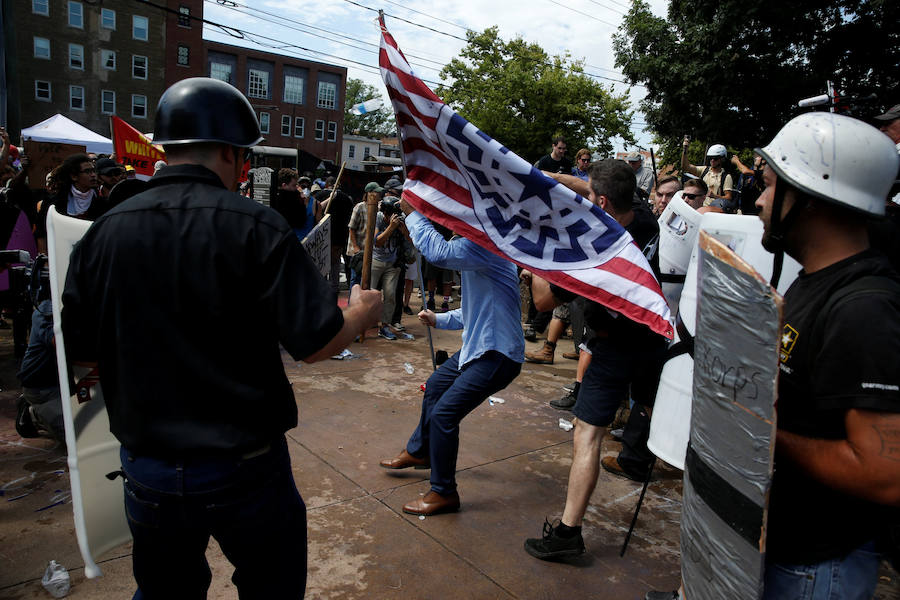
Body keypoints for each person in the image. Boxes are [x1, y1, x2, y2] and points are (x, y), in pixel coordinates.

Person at [61, 77, 382, 599]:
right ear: (235, 155)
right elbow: (316, 343)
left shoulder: (103, 232)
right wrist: (362, 314)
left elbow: (79, 353)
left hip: (150, 468)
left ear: (166, 149)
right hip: (245, 470)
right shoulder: (257, 227)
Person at [647, 112, 900, 600]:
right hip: (776, 553)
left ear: (811, 197)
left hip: (815, 570)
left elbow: (884, 474)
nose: (760, 201)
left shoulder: (864, 308)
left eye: (768, 186)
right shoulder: (813, 280)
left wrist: (758, 435)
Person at [522, 159, 668, 560]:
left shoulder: (592, 250)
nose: (584, 198)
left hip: (615, 347)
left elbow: (542, 300)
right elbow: (601, 187)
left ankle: (569, 532)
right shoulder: (646, 221)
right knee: (650, 411)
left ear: (601, 203)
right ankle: (639, 457)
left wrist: (539, 245)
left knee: (587, 435)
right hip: (657, 341)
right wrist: (548, 179)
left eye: (589, 196)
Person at [379, 198, 524, 515]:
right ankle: (420, 451)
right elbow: (473, 311)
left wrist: (414, 214)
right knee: (433, 387)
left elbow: (439, 253)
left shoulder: (488, 246)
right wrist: (439, 319)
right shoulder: (480, 247)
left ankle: (444, 492)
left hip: (497, 354)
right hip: (479, 348)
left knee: (445, 415)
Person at [681, 137, 735, 212]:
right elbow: (686, 167)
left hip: (713, 210)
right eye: (710, 158)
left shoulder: (726, 177)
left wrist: (714, 196)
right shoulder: (704, 170)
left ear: (722, 159)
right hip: (700, 207)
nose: (712, 160)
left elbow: (729, 197)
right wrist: (685, 150)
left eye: (715, 158)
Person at [50, 153, 106, 220]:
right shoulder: (55, 202)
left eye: (94, 171)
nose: (93, 175)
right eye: (87, 171)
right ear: (74, 176)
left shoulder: (102, 203)